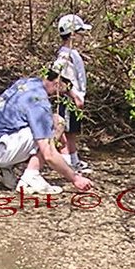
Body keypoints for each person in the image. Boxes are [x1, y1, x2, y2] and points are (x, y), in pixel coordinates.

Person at [0, 64, 94, 195]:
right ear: (58, 83)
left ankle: (3, 169)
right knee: (57, 123)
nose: (65, 94)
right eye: (67, 88)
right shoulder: (39, 103)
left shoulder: (26, 83)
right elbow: (49, 154)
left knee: (47, 122)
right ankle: (31, 176)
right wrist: (75, 178)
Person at [53, 13, 90, 172]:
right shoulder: (65, 55)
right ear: (72, 34)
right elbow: (57, 76)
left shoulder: (72, 54)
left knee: (72, 132)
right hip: (68, 100)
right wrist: (74, 95)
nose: (83, 37)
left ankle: (74, 161)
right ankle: (67, 163)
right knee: (65, 131)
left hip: (74, 98)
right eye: (80, 33)